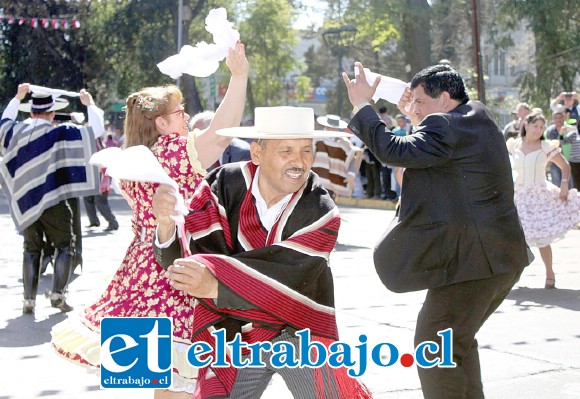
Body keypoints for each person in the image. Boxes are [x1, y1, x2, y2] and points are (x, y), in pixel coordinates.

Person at [51, 42, 249, 398]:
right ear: (162, 122)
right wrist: (239, 77)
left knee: (160, 378)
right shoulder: (172, 150)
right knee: (180, 378)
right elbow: (223, 132)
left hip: (139, 272)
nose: (186, 117)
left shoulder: (133, 160)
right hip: (173, 269)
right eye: (180, 112)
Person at [151, 106, 371, 399]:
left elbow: (289, 274)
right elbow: (181, 259)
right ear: (257, 154)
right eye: (287, 151)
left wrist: (216, 281)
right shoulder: (223, 185)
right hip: (233, 326)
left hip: (299, 327)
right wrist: (166, 225)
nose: (299, 162)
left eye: (306, 151)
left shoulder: (320, 209)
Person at [342, 63, 533, 399]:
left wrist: (362, 106)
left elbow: (394, 151)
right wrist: (419, 117)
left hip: (474, 265)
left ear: (445, 98)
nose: (412, 108)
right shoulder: (475, 118)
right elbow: (423, 156)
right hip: (496, 261)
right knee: (454, 346)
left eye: (418, 101)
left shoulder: (445, 125)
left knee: (433, 347)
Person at [0, 86, 105, 314]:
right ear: (51, 113)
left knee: (31, 249)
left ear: (30, 113)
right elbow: (96, 130)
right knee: (65, 245)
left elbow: (4, 120)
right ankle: (58, 295)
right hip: (53, 201)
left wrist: (17, 97)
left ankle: (28, 300)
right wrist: (90, 105)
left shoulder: (16, 132)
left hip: (26, 203)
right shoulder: (60, 132)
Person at [506, 110, 580, 289]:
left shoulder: (545, 146)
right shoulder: (515, 144)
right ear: (526, 125)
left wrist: (564, 185)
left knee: (542, 236)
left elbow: (565, 166)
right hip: (520, 196)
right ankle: (512, 275)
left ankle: (549, 273)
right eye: (535, 126)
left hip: (539, 194)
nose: (538, 130)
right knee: (517, 237)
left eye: (541, 127)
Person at [311, 113, 362, 199]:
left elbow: (351, 157)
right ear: (326, 126)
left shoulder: (344, 142)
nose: (333, 129)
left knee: (328, 205)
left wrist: (351, 174)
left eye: (335, 127)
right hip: (317, 179)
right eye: (330, 127)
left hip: (334, 182)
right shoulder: (316, 139)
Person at [83, 136, 120, 231]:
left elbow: (104, 168)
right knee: (88, 198)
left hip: (102, 179)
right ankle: (94, 221)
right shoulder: (96, 146)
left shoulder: (100, 147)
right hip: (95, 178)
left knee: (100, 201)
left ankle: (113, 223)